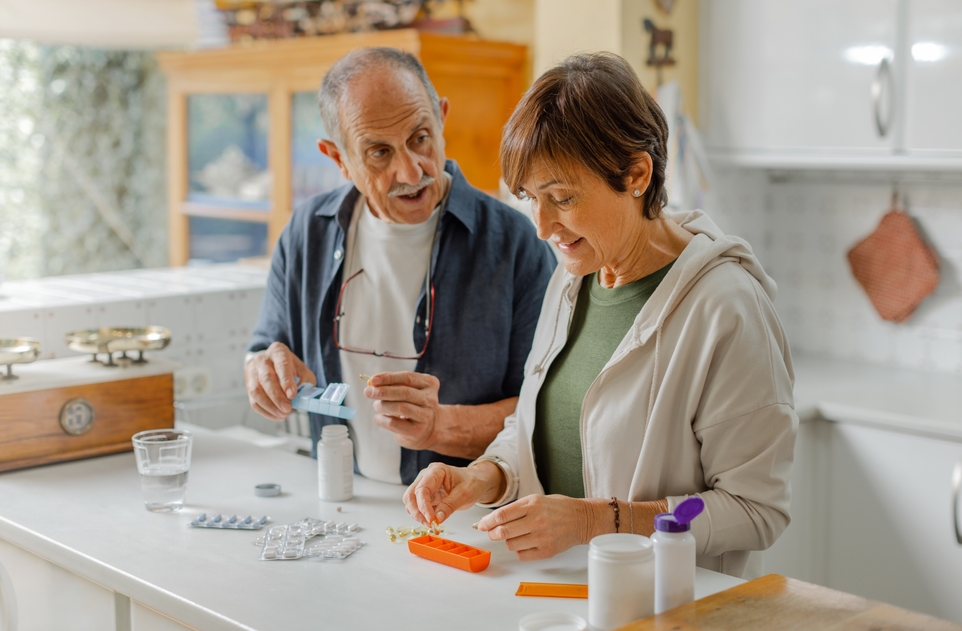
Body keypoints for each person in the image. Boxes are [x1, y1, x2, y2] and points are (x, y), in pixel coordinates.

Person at [403, 53, 796, 579]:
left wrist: (599, 522)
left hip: (665, 606)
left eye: (561, 197)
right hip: (561, 596)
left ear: (636, 173)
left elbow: (753, 510)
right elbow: (538, 430)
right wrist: (483, 477)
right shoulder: (573, 277)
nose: (542, 226)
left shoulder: (726, 308)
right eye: (530, 198)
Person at [246, 47, 556, 485]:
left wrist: (442, 426)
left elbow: (549, 412)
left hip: (468, 517)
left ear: (442, 116)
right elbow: (264, 348)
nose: (411, 172)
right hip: (344, 501)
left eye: (420, 138)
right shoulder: (305, 232)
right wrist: (261, 370)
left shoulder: (515, 243)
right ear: (337, 158)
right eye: (378, 153)